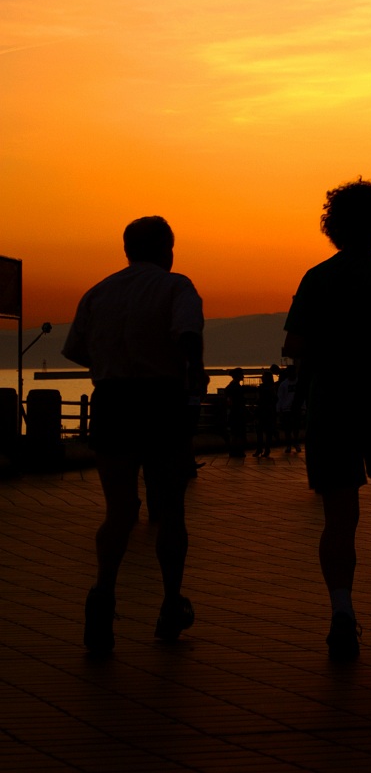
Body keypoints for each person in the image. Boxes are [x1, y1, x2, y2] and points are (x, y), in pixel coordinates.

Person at [283, 178, 371, 661]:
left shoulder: (316, 277)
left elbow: (293, 346)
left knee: (339, 517)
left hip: (331, 403)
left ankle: (342, 612)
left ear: (333, 225)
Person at [62, 216, 205, 654]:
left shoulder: (99, 291)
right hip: (161, 401)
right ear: (168, 249)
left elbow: (77, 350)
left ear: (127, 249)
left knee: (119, 509)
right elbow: (187, 335)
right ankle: (168, 604)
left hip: (112, 402)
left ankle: (103, 595)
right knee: (171, 508)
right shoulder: (177, 286)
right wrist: (192, 380)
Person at [277, 368, 302, 453]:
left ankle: (295, 443)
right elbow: (280, 397)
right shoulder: (284, 384)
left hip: (296, 408)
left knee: (295, 428)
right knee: (288, 429)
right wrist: (279, 409)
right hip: (286, 409)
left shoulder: (298, 383)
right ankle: (289, 445)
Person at [254, 366, 278, 457]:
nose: (262, 378)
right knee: (267, 432)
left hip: (264, 411)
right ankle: (265, 450)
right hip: (267, 411)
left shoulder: (264, 388)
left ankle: (261, 449)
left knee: (261, 432)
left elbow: (259, 400)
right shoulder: (271, 388)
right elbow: (276, 399)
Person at [224, 368, 248, 457]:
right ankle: (237, 450)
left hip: (235, 412)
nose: (243, 376)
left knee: (235, 433)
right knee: (238, 433)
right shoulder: (235, 387)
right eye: (242, 374)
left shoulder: (231, 386)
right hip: (237, 412)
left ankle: (234, 450)